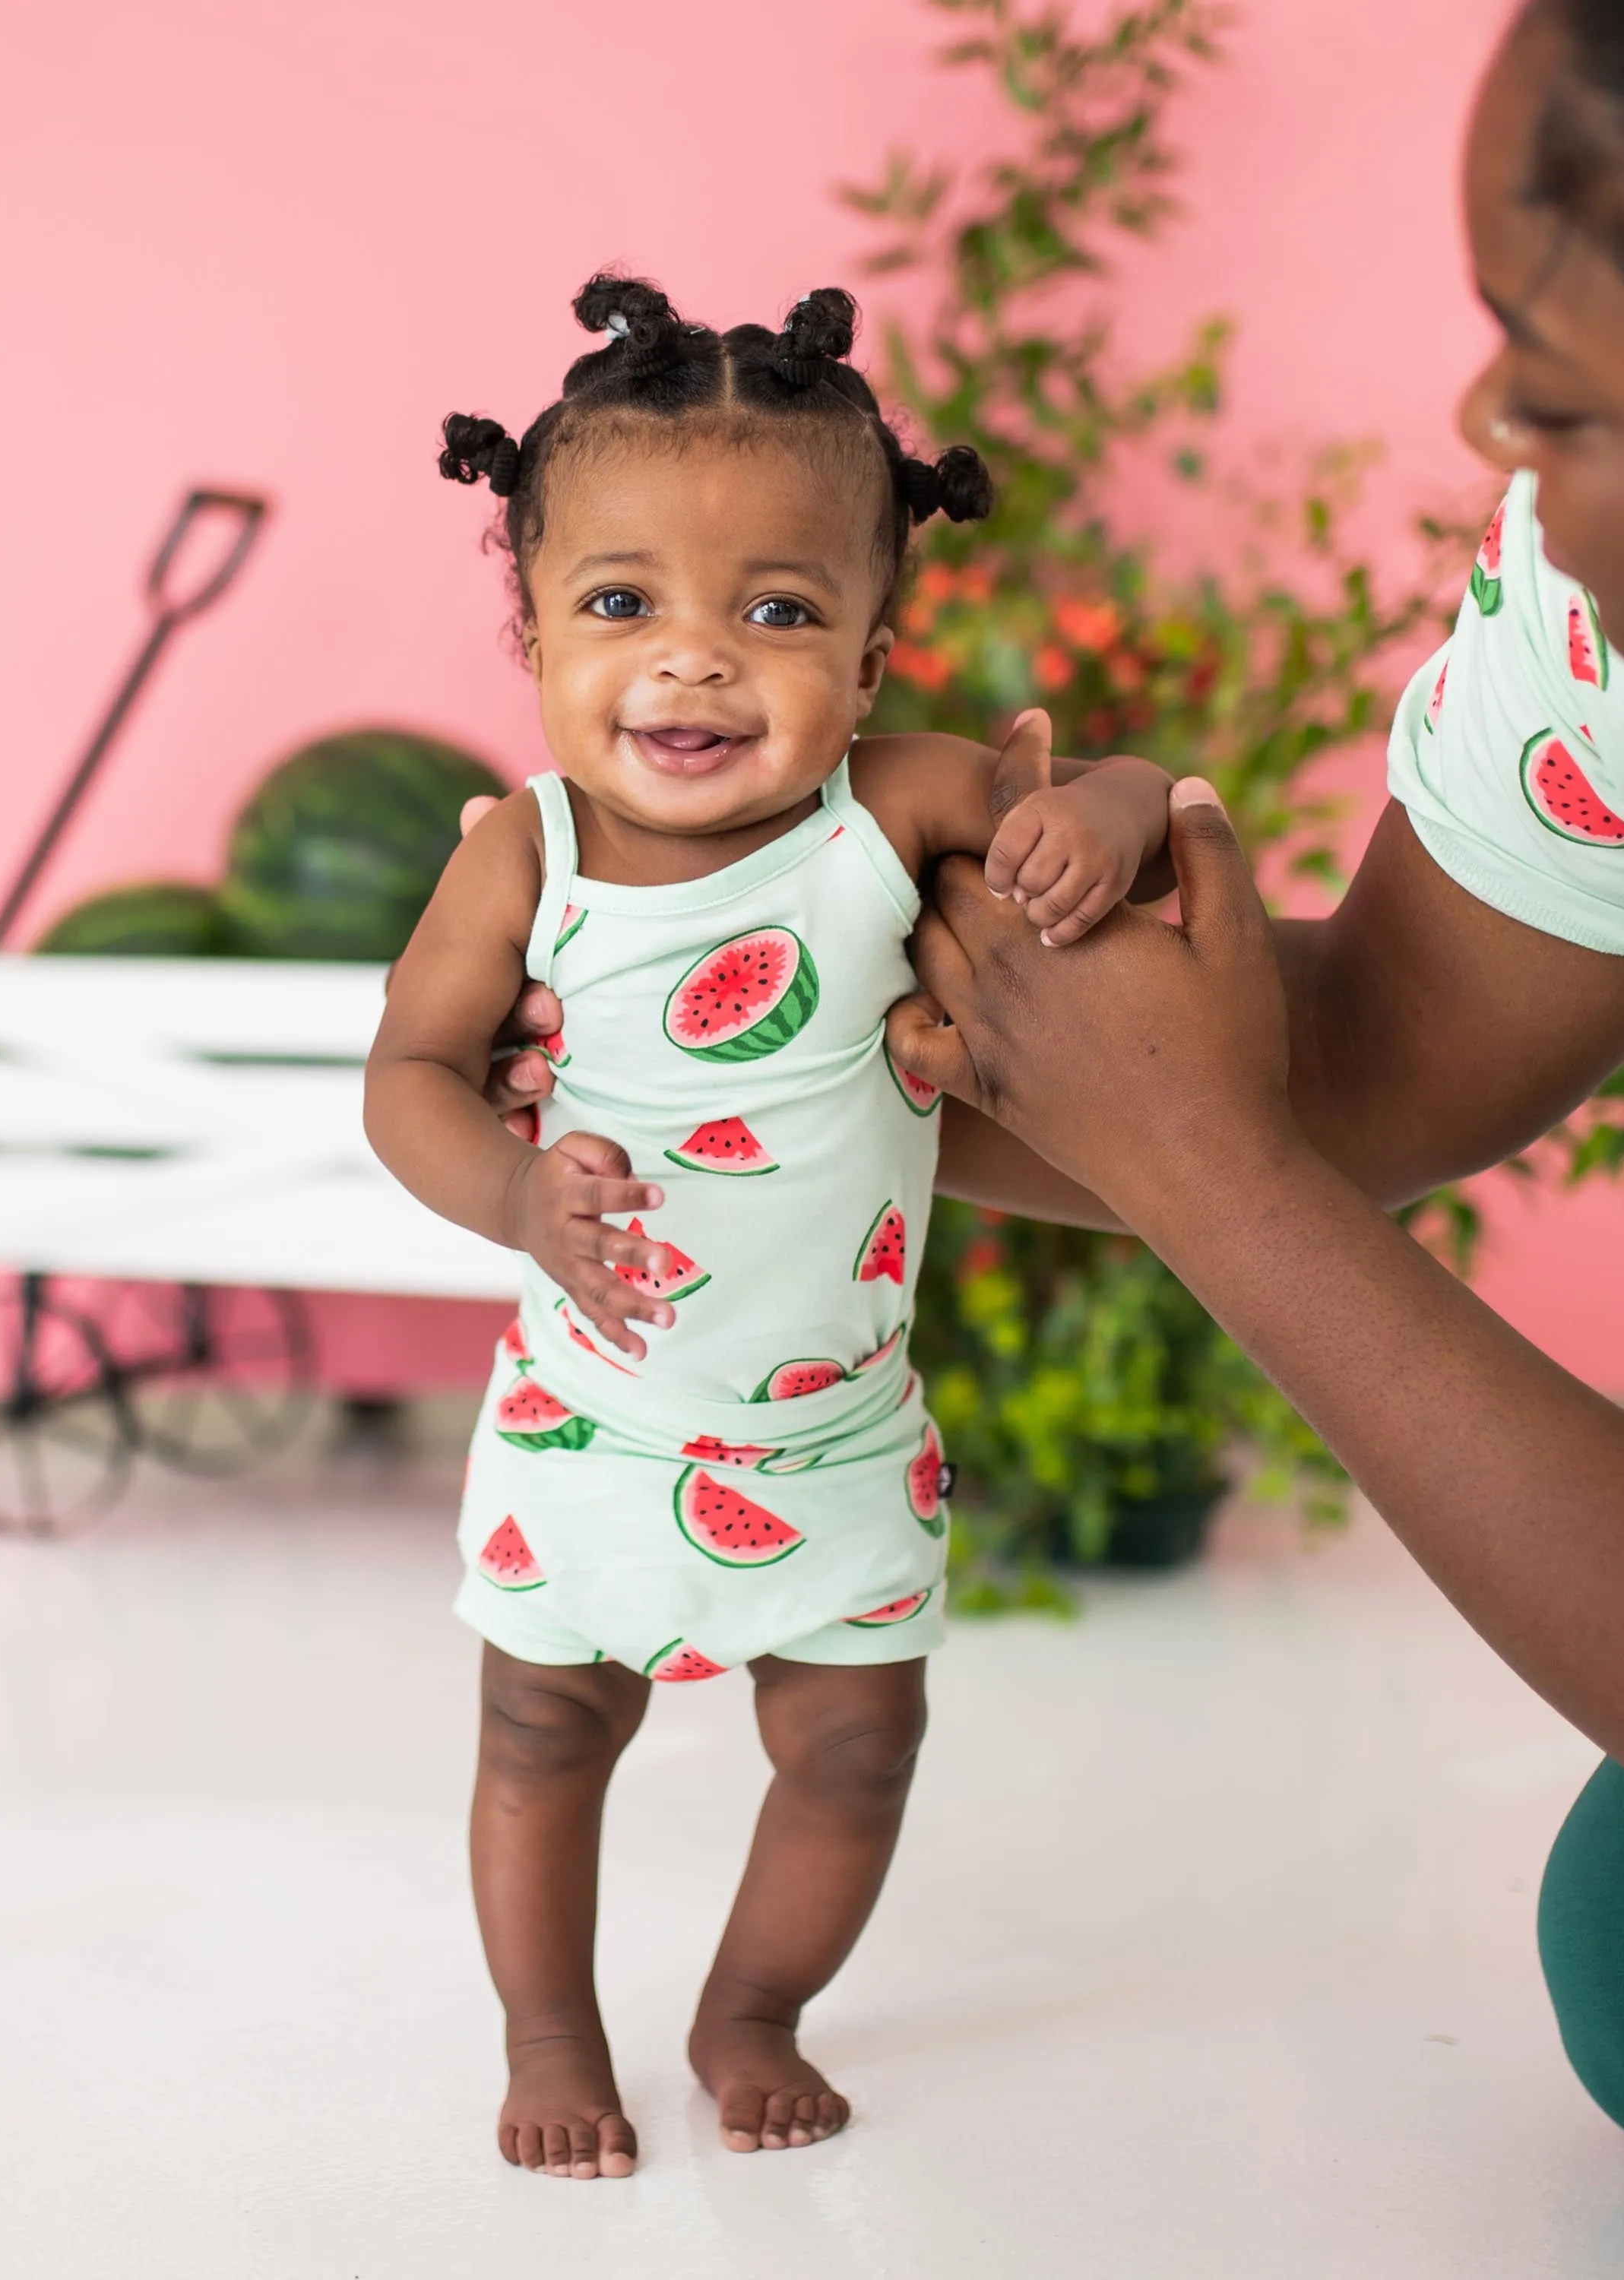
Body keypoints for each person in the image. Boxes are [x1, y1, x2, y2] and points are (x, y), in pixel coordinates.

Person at [480, 0, 1624, 2252]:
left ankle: (739, 2019)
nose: (1487, 422)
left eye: (1562, 379)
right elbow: (1365, 1053)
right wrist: (779, 1092)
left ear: (876, 644)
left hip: (813, 1495)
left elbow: (1216, 1106)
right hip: (640, 1444)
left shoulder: (888, 780)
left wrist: (1200, 1157)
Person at [364, 275, 1176, 2181]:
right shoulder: (523, 856)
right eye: (622, 602)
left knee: (857, 1753)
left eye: (780, 611)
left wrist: (1119, 815)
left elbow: (1097, 789)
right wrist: (511, 1197)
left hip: (834, 1439)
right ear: (537, 631)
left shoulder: (885, 819)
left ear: (878, 664)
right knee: (541, 1741)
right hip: (590, 1424)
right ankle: (551, 2031)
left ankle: (753, 2011)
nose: (698, 663)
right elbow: (408, 1071)